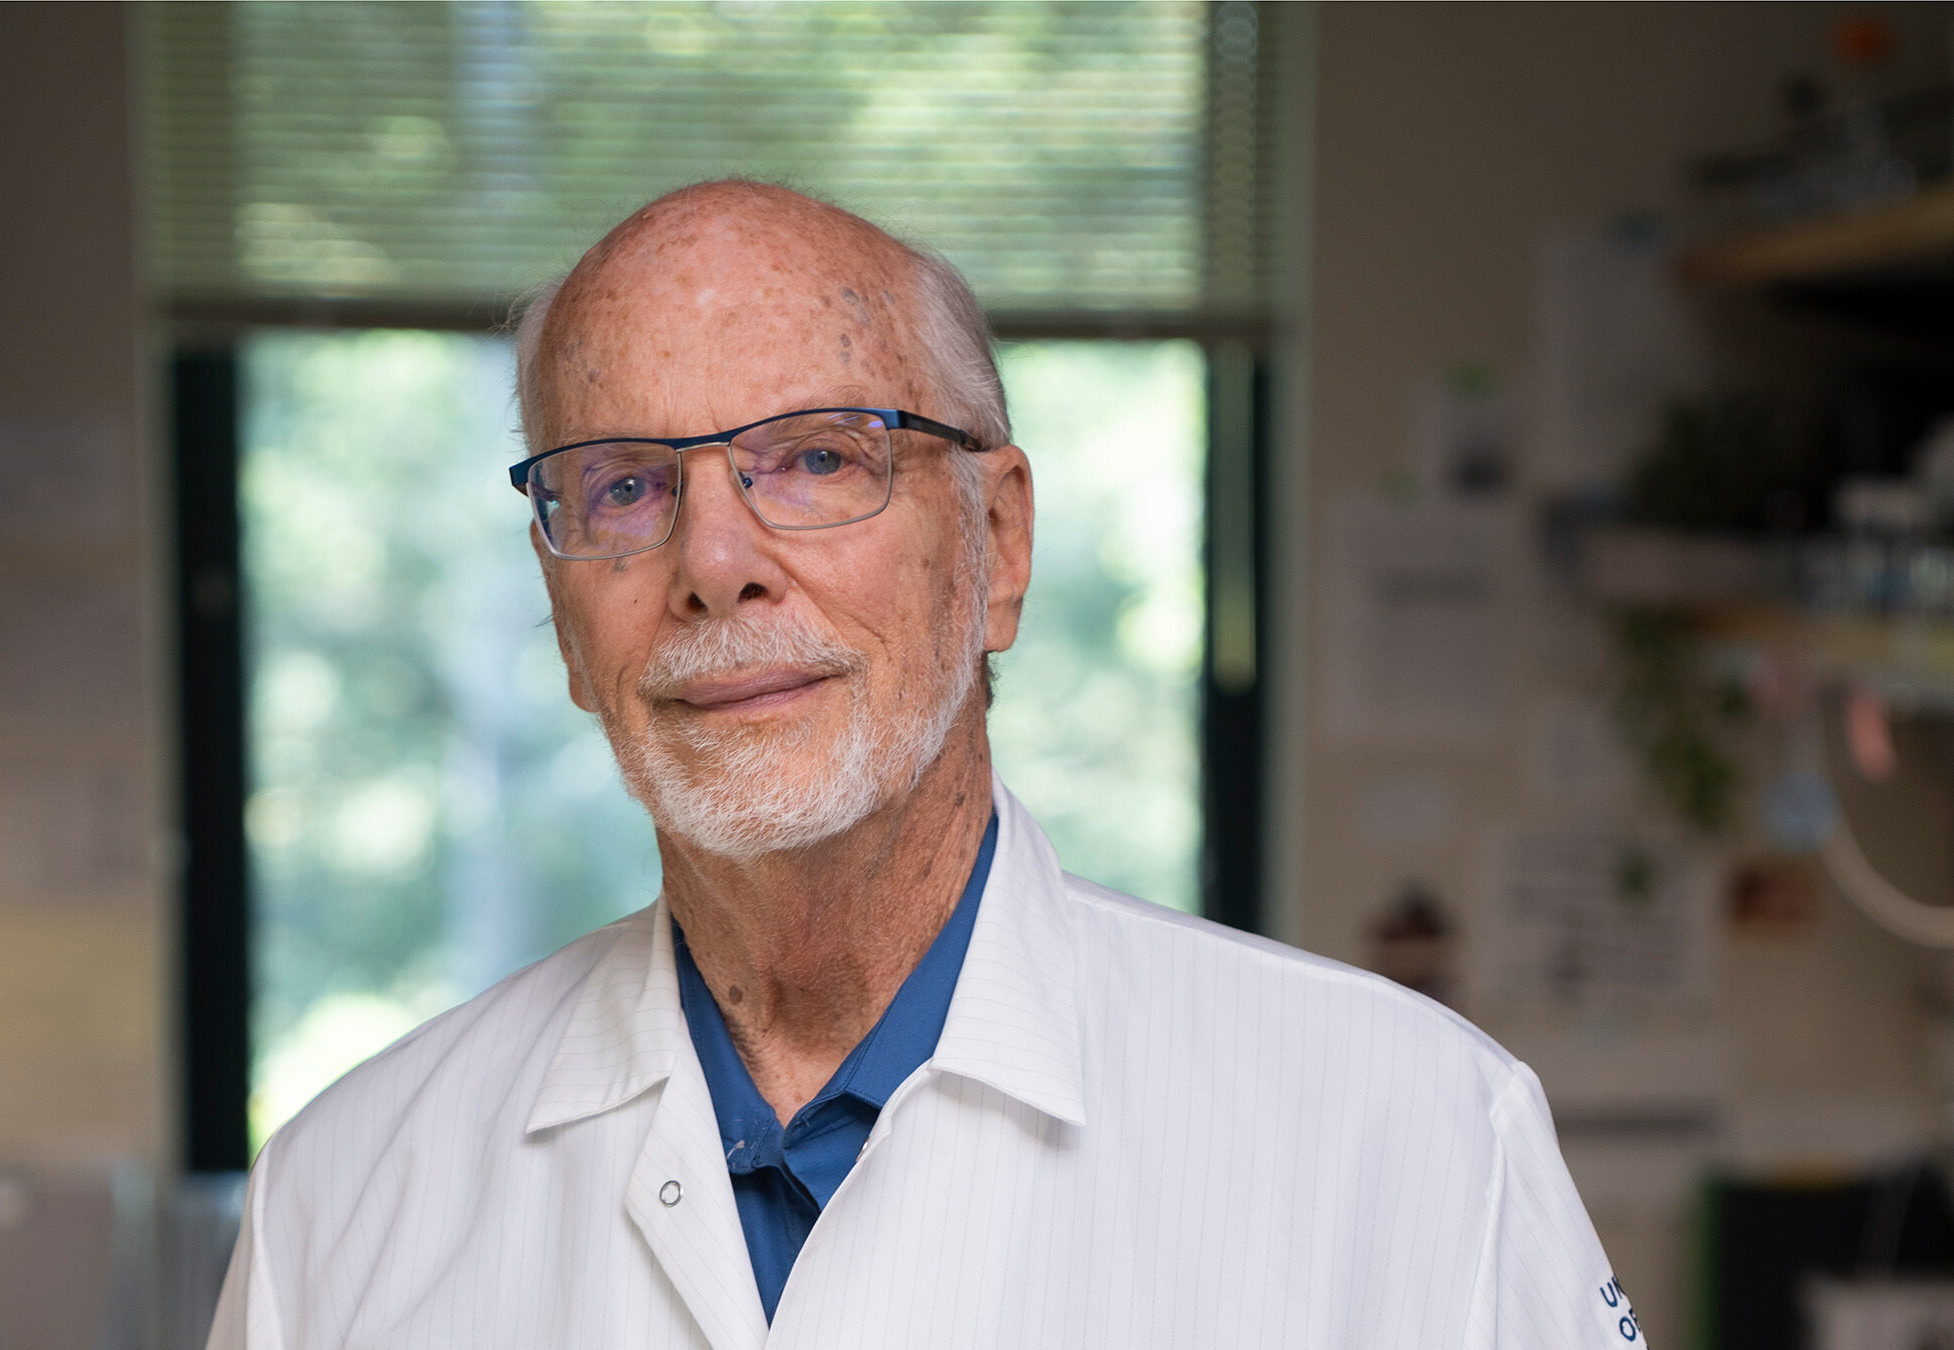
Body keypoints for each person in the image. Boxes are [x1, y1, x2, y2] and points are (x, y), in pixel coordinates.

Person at [207, 182, 1645, 1349]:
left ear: (996, 546)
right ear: (564, 614)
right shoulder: (341, 1206)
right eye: (626, 486)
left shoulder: (1415, 1139)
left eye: (818, 458)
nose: (714, 562)